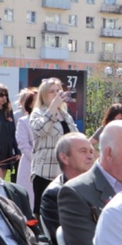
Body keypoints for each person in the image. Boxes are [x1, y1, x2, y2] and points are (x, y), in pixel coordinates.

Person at [29, 78, 77, 214]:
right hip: (45, 172)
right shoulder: (38, 113)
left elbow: (75, 136)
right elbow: (41, 130)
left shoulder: (66, 115)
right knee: (42, 212)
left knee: (64, 212)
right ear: (43, 95)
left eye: (58, 91)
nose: (56, 94)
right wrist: (52, 108)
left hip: (64, 173)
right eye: (52, 92)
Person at [39, 132, 95, 245]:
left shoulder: (97, 185)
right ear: (64, 158)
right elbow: (75, 241)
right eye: (83, 151)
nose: (90, 156)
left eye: (91, 151)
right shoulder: (55, 195)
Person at [15, 88, 36, 210]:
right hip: (29, 164)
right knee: (29, 199)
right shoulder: (24, 121)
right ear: (30, 104)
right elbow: (23, 144)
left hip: (49, 166)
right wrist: (36, 159)